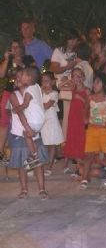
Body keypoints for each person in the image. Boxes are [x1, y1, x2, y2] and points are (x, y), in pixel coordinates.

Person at [9, 68, 48, 199]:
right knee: (22, 164)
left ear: (29, 79)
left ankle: (42, 189)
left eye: (21, 76)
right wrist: (29, 130)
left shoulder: (32, 91)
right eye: (17, 78)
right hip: (20, 133)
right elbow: (20, 114)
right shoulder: (14, 95)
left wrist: (32, 131)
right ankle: (24, 189)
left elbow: (33, 109)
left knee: (37, 163)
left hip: (31, 132)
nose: (18, 79)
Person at [80, 73, 106, 190]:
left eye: (97, 82)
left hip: (104, 131)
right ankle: (84, 177)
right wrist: (85, 118)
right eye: (94, 82)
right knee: (89, 155)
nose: (94, 85)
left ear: (104, 85)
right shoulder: (90, 98)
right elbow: (85, 109)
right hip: (92, 130)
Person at [12, 66, 45, 170]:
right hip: (40, 120)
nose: (20, 77)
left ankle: (34, 156)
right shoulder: (37, 87)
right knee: (30, 136)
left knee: (26, 134)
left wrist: (17, 109)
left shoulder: (29, 90)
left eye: (22, 75)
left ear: (28, 78)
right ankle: (33, 157)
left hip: (34, 120)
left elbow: (25, 104)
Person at [64, 68, 90, 174]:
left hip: (81, 118)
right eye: (75, 76)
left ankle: (82, 166)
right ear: (72, 78)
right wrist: (68, 81)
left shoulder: (87, 90)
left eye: (80, 75)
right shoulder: (71, 89)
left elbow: (90, 105)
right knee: (72, 139)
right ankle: (78, 165)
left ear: (83, 77)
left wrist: (80, 98)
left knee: (81, 140)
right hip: (72, 118)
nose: (78, 78)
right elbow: (60, 87)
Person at [40, 71, 64, 176]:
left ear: (53, 82)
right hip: (43, 123)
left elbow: (46, 106)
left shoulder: (54, 94)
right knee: (45, 144)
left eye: (47, 81)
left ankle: (49, 167)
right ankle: (48, 162)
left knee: (52, 144)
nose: (44, 84)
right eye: (43, 82)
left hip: (51, 122)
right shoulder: (41, 93)